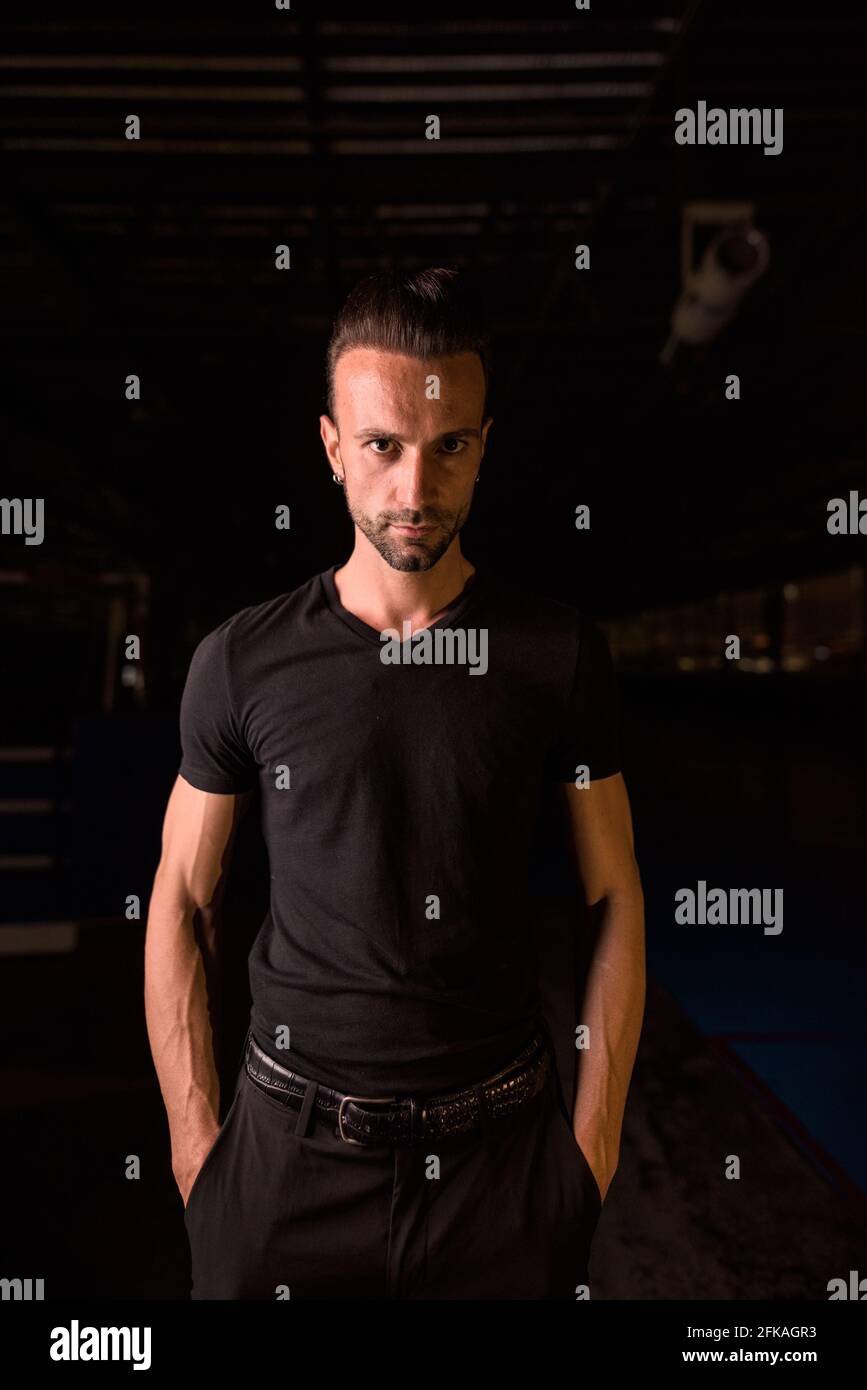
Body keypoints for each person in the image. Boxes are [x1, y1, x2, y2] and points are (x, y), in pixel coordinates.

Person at [144, 266, 645, 1300]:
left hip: (502, 1168)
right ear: (332, 446)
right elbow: (184, 899)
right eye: (382, 446)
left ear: (483, 445)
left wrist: (585, 1155)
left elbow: (616, 895)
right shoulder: (242, 660)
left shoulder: (556, 654)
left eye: (448, 445)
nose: (415, 488)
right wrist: (202, 1159)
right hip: (287, 1164)